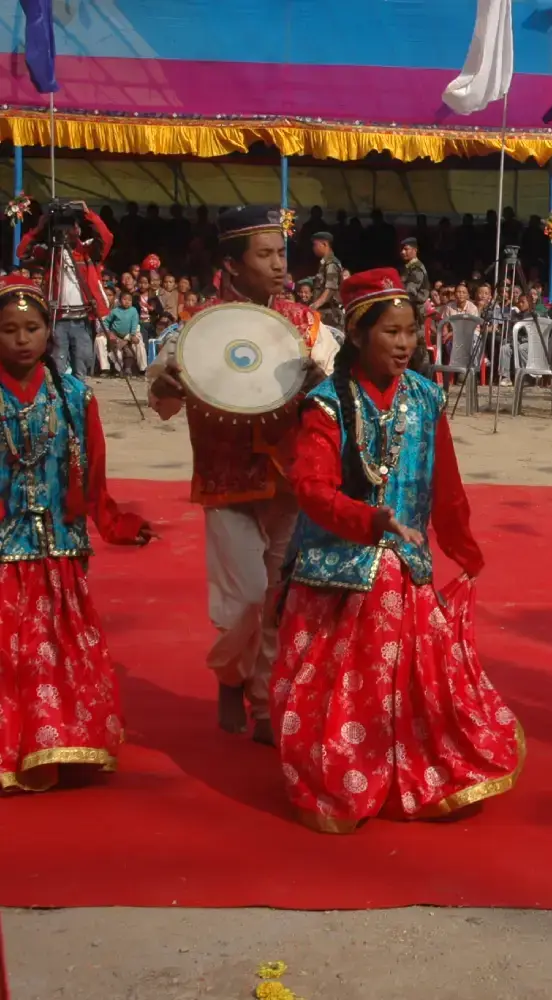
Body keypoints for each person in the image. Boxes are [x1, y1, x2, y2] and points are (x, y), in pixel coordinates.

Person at [271, 269, 523, 832]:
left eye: (412, 330)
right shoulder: (325, 405)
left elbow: (446, 484)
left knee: (404, 626)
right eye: (392, 331)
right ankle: (349, 772)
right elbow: (310, 489)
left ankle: (406, 767)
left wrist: (462, 547)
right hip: (337, 565)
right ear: (359, 335)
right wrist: (371, 519)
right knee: (375, 608)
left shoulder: (427, 397)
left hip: (403, 564)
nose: (406, 342)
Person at [145, 207, 339, 745]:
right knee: (249, 598)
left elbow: (334, 391)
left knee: (280, 597)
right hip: (227, 478)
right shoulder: (199, 324)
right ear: (232, 264)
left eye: (281, 253)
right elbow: (159, 396)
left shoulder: (305, 323)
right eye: (266, 254)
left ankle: (264, 704)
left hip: (290, 477)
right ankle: (230, 676)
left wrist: (324, 379)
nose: (279, 265)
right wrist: (171, 385)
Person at [0, 275, 155, 793]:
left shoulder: (73, 396)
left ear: (50, 330)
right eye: (9, 330)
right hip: (5, 550)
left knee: (56, 647)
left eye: (33, 327)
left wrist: (116, 526)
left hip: (59, 552)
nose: (22, 339)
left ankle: (56, 742)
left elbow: (93, 479)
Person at [18, 201, 113, 378]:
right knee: (57, 368)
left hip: (82, 319)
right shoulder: (50, 254)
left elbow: (106, 238)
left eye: (72, 226)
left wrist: (88, 213)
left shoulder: (87, 251)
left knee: (81, 369)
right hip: (58, 319)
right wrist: (41, 226)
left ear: (78, 229)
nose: (67, 230)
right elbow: (22, 252)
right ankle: (59, 403)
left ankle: (79, 403)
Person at [310, 232, 344, 332]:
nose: (313, 248)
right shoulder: (324, 263)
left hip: (330, 314)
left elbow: (331, 288)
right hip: (324, 312)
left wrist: (315, 305)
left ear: (324, 244)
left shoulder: (331, 263)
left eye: (315, 244)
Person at [400, 237, 432, 306]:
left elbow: (410, 290)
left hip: (417, 306)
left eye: (406, 249)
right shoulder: (408, 266)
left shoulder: (417, 268)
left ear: (414, 250)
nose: (402, 252)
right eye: (402, 249)